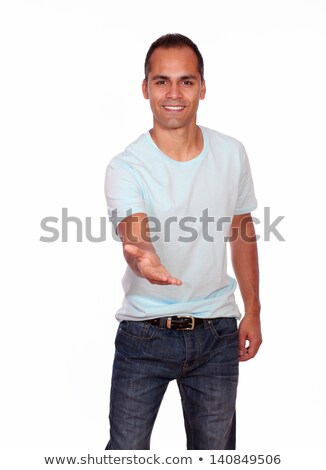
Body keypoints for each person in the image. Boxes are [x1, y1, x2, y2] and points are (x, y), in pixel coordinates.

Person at [104, 33, 262, 450]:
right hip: (144, 335)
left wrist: (254, 311)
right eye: (162, 81)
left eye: (186, 81)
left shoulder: (231, 153)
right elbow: (134, 229)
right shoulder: (127, 166)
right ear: (145, 88)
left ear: (202, 88)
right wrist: (144, 257)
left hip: (218, 334)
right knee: (125, 455)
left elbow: (242, 231)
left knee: (216, 456)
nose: (174, 93)